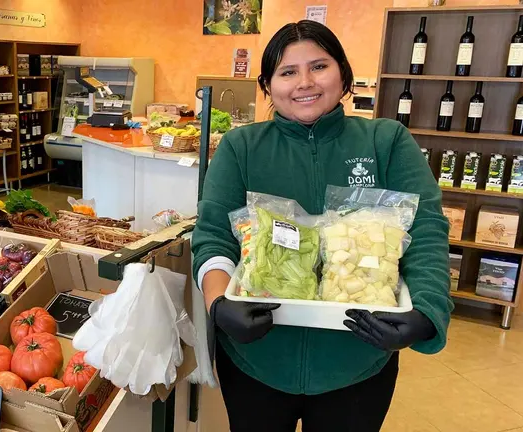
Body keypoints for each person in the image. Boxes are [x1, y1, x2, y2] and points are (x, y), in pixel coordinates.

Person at [191, 20, 453, 432]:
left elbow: (426, 233)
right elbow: (212, 237)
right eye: (287, 72)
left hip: (358, 362)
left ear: (343, 74)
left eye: (319, 66)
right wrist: (219, 304)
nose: (304, 82)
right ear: (268, 85)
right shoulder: (240, 148)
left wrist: (426, 310)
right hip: (256, 361)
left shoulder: (386, 141)